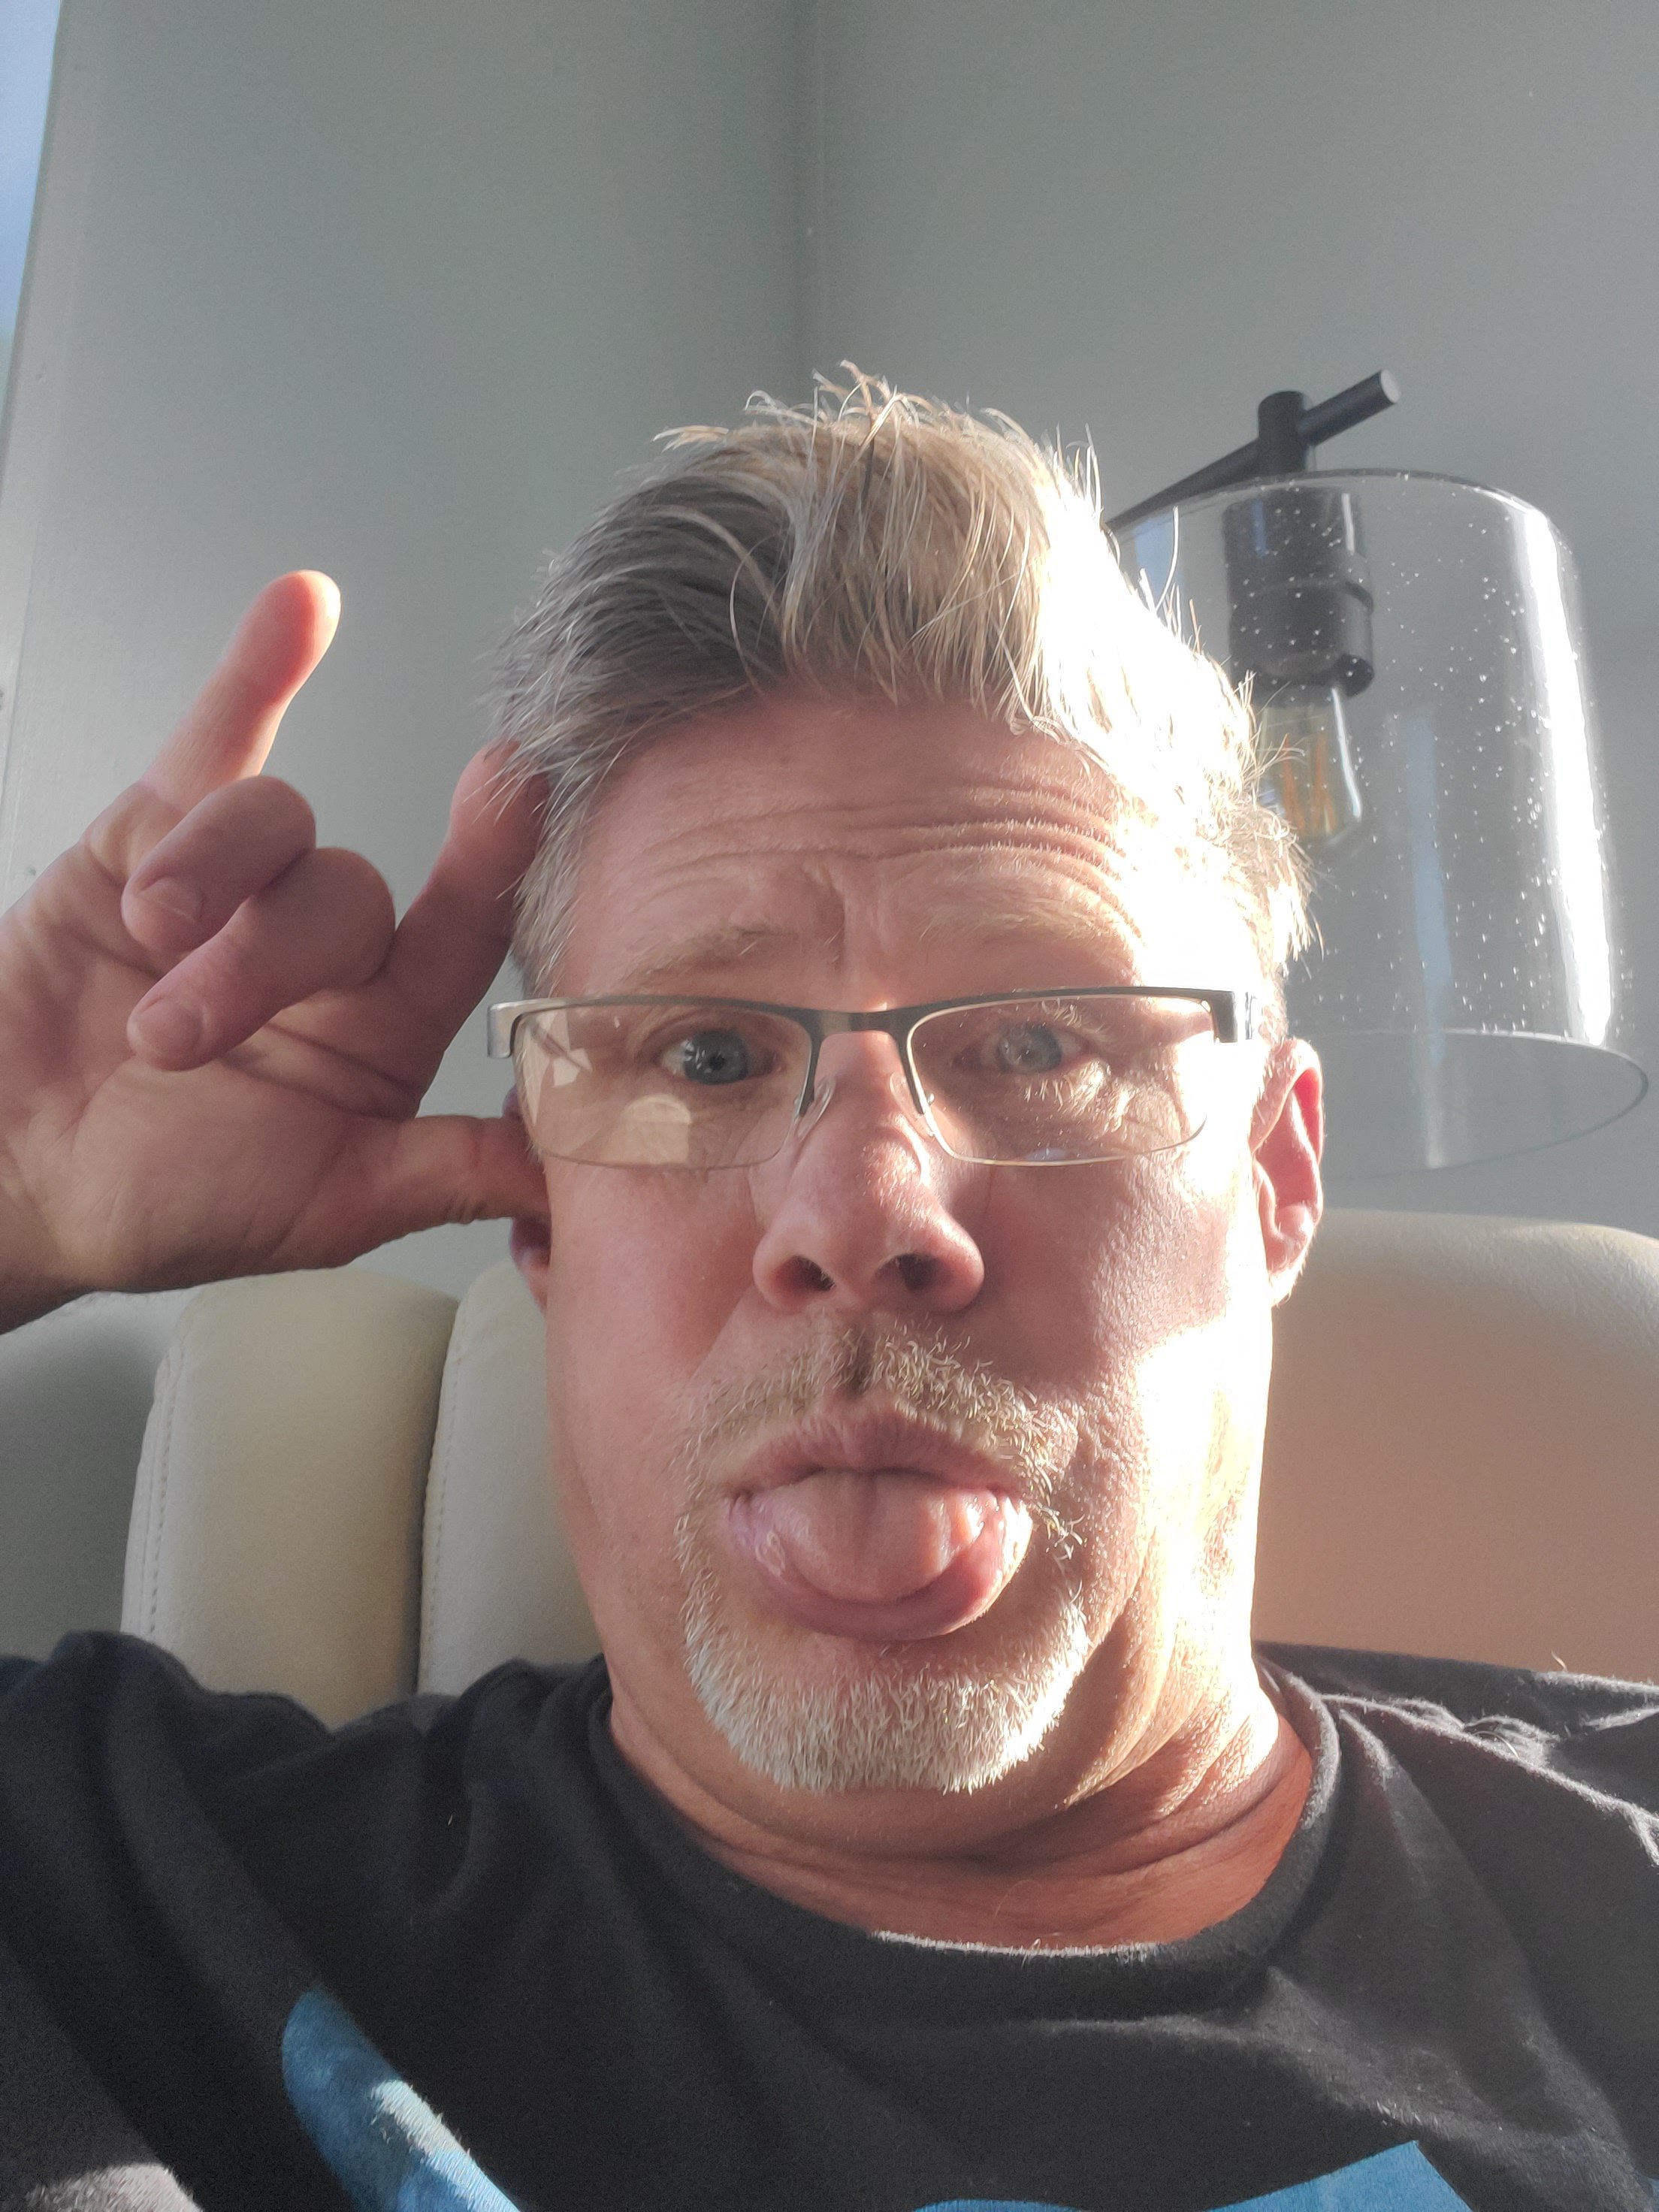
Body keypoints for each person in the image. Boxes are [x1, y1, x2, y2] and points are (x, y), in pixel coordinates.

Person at [0, 382, 1654, 2212]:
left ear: (1273, 1173)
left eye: (1039, 1041)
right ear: (541, 1214)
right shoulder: (129, 1911)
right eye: (706, 1053)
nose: (861, 1212)